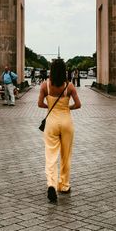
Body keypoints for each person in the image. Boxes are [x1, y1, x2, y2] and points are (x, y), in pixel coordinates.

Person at [39, 58, 81, 203]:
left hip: (51, 123)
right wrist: (67, 107)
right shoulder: (69, 86)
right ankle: (64, 185)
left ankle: (51, 183)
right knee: (66, 155)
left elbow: (39, 104)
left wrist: (51, 107)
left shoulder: (45, 86)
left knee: (50, 155)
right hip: (66, 122)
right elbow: (78, 104)